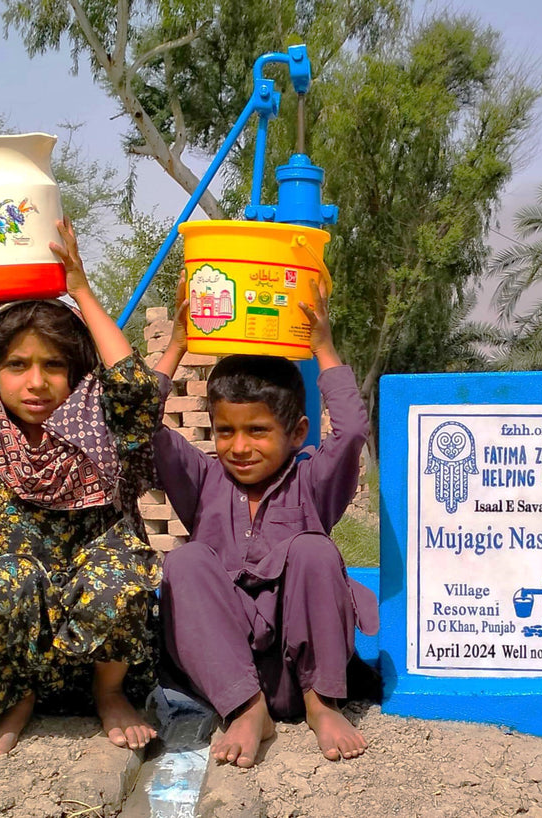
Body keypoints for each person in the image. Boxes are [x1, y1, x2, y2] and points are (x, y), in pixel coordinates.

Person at [0, 216, 161, 759]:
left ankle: (109, 696)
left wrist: (80, 289)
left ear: (77, 371)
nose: (36, 382)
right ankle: (14, 703)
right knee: (8, 575)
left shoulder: (100, 436)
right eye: (16, 365)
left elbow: (135, 389)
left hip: (94, 660)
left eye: (54, 365)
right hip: (6, 660)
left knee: (125, 560)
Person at [153, 274, 378, 768]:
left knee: (314, 549)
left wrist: (324, 348)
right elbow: (137, 422)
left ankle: (324, 705)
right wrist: (175, 347)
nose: (238, 447)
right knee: (186, 560)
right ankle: (250, 713)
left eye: (257, 431)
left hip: (297, 673)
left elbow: (353, 430)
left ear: (297, 432)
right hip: (225, 674)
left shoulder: (312, 483)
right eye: (225, 431)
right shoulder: (202, 479)